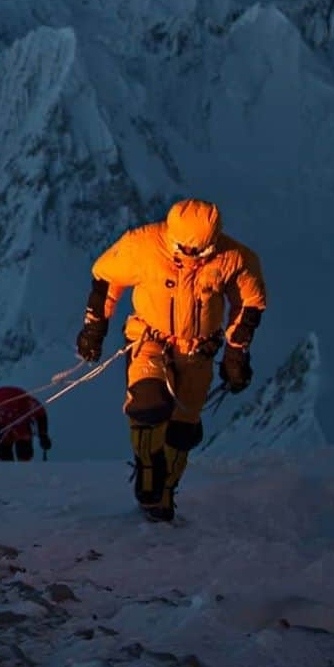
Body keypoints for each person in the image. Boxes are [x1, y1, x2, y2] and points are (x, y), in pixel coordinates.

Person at [75, 198, 266, 521]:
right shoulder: (144, 245)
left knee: (183, 430)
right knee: (147, 405)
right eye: (184, 249)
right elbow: (106, 277)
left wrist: (235, 353)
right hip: (149, 339)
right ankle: (148, 472)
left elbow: (250, 302)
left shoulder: (233, 258)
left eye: (201, 251)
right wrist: (95, 327)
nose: (191, 256)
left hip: (198, 352)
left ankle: (164, 497)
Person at [0, 386, 51, 461]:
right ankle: (17, 463)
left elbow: (40, 414)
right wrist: (43, 434)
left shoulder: (25, 402)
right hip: (7, 412)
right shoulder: (26, 402)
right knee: (13, 445)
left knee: (10, 446)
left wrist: (43, 434)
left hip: (7, 412)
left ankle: (10, 464)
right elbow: (41, 414)